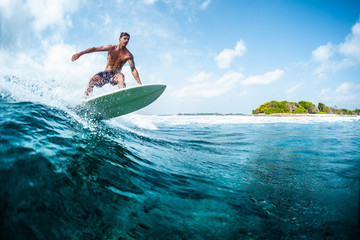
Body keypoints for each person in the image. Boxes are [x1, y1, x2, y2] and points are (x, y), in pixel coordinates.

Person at [71, 32, 142, 96]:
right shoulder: (111, 48)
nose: (126, 40)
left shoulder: (128, 55)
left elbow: (133, 70)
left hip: (115, 75)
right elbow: (94, 49)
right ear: (119, 39)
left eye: (128, 39)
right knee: (91, 80)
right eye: (125, 38)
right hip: (106, 73)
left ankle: (121, 96)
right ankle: (85, 99)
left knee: (121, 77)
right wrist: (80, 53)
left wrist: (139, 84)